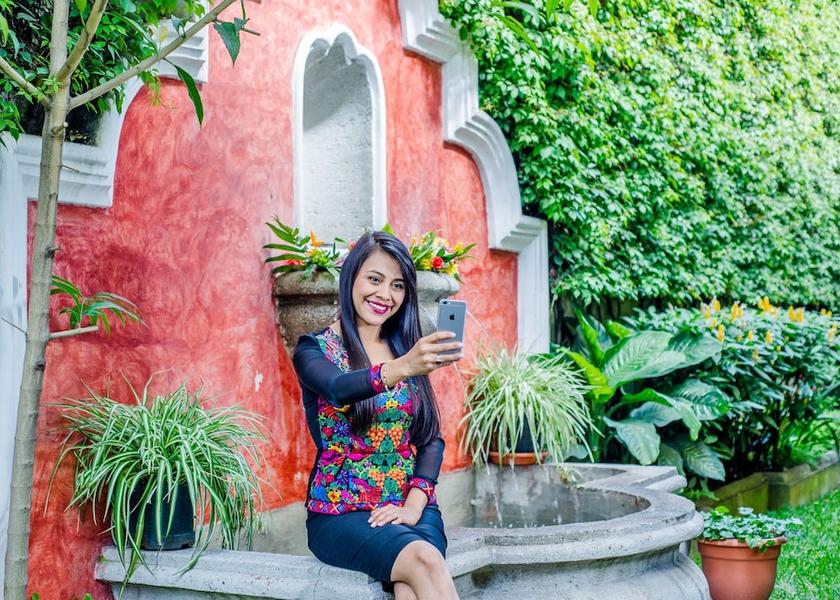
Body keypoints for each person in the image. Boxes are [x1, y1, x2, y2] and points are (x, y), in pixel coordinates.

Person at [292, 231, 463, 600]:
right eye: (375, 279)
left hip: (411, 505)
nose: (385, 295)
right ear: (351, 277)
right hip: (341, 511)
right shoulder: (313, 349)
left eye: (398, 285)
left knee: (407, 586)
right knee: (425, 561)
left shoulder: (403, 347)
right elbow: (338, 387)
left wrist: (413, 506)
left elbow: (430, 437)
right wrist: (402, 367)